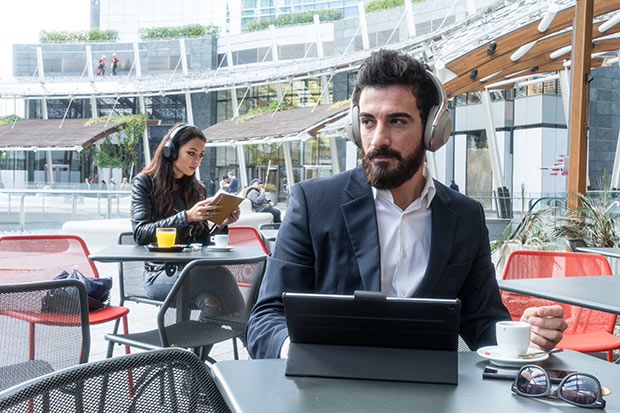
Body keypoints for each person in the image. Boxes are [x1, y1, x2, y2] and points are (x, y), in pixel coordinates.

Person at [246, 49, 566, 359]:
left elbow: (482, 321)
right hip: (329, 385)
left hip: (430, 388)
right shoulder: (314, 204)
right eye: (368, 122)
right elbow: (265, 320)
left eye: (397, 121)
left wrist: (522, 336)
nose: (378, 139)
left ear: (432, 131)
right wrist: (305, 355)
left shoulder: (465, 216)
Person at [130, 123, 241, 300]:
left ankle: (238, 317)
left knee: (211, 302)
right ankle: (252, 318)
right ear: (171, 151)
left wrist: (220, 224)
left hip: (192, 269)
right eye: (191, 153)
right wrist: (187, 216)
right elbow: (140, 233)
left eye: (201, 155)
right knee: (220, 276)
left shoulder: (197, 189)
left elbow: (202, 243)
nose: (197, 160)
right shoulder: (144, 183)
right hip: (160, 273)